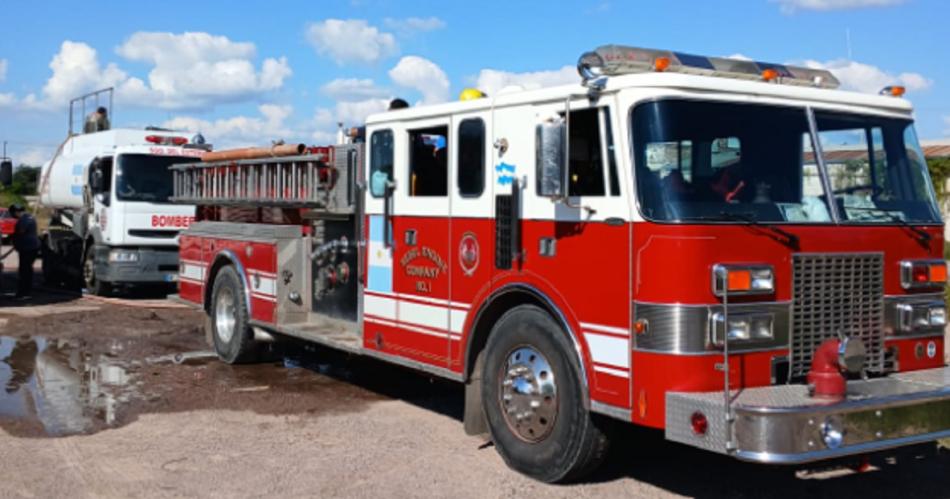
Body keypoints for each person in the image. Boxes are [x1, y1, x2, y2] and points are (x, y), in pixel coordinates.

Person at [8, 204, 39, 299]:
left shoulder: (23, 219)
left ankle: (24, 293)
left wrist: (12, 236)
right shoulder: (30, 217)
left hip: (27, 248)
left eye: (12, 213)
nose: (12, 216)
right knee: (27, 270)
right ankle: (25, 292)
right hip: (32, 247)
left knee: (24, 271)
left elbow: (21, 231)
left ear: (16, 212)